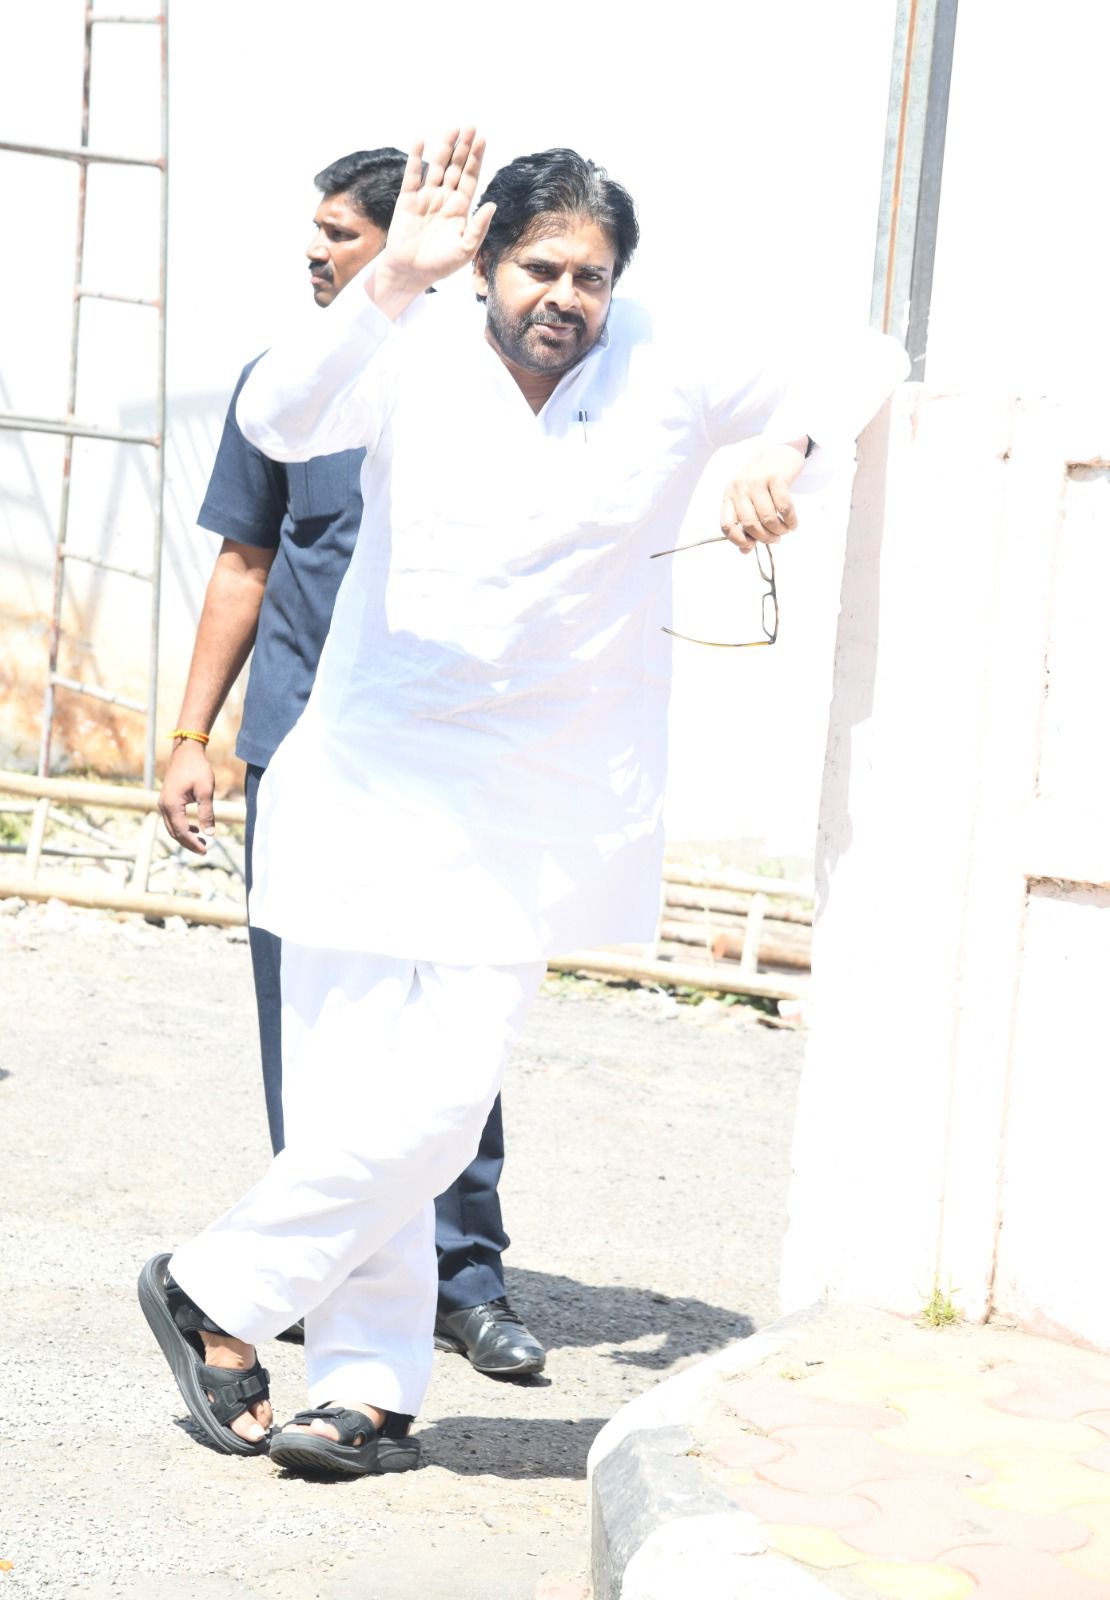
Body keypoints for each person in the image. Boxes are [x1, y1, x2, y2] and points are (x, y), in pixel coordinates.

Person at [141, 129, 905, 1479]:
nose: (565, 296)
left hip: (530, 806)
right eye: (540, 267)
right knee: (350, 1108)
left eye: (590, 276)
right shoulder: (408, 338)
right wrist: (391, 280)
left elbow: (868, 356)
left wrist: (782, 445)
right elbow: (280, 421)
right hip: (365, 775)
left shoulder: (662, 355)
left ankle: (215, 1288)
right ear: (485, 260)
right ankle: (365, 1392)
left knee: (440, 1104)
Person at [157, 146, 545, 1379]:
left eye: (339, 232)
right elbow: (244, 561)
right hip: (300, 755)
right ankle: (316, 1277)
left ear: (416, 248)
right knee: (318, 1044)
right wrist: (192, 735)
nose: (315, 251)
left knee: (449, 1039)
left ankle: (465, 1280)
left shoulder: (479, 384)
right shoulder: (284, 385)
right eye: (316, 230)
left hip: (439, 761)